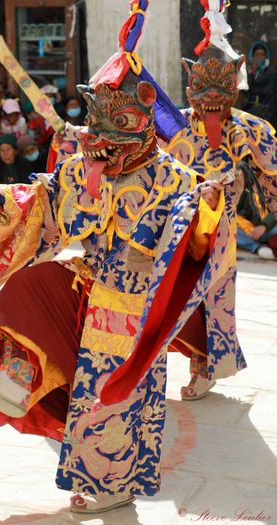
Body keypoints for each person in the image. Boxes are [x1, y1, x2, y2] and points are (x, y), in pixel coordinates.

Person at [0, 1, 252, 515]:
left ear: (146, 130)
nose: (97, 147)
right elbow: (46, 204)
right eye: (95, 134)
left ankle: (112, 483)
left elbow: (194, 241)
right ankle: (19, 375)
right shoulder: (85, 167)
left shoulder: (171, 179)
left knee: (108, 397)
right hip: (88, 277)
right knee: (27, 287)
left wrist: (212, 204)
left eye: (113, 136)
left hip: (135, 304)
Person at [161, 0, 277, 400]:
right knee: (163, 294)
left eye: (222, 87)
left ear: (237, 82)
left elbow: (274, 175)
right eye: (201, 87)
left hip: (222, 232)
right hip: (177, 226)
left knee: (210, 298)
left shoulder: (252, 130)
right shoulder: (173, 125)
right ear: (189, 82)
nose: (211, 96)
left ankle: (203, 365)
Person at [243, 41, 277, 128]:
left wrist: (251, 88)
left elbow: (268, 90)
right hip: (248, 114)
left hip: (268, 114)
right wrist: (253, 74)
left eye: (262, 55)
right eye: (256, 55)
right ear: (252, 56)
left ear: (266, 56)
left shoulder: (272, 72)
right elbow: (243, 88)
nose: (259, 58)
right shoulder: (248, 72)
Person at [237, 189, 277, 260]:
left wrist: (264, 226)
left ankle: (253, 244)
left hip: (270, 229)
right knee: (229, 229)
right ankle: (258, 248)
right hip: (251, 231)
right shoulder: (246, 187)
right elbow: (235, 206)